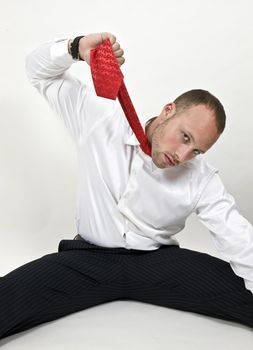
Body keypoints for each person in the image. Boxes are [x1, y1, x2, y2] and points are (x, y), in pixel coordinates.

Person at [0, 32, 253, 340]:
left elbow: (239, 238)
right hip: (86, 260)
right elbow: (37, 71)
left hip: (158, 263)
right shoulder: (101, 120)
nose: (183, 156)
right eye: (185, 137)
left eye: (197, 150)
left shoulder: (200, 176)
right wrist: (74, 48)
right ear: (168, 110)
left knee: (244, 291)